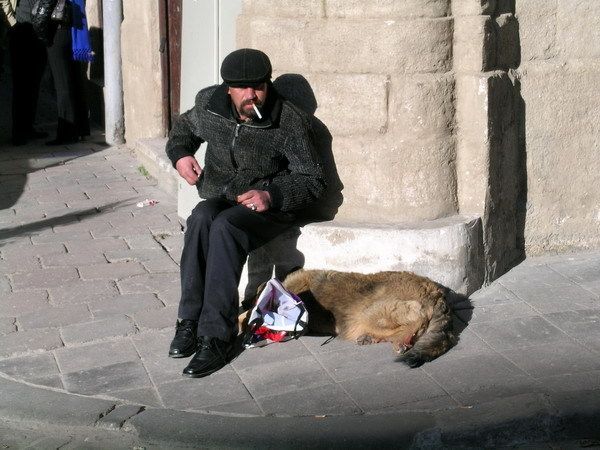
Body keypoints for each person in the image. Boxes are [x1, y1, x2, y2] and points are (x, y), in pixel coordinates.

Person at [165, 48, 326, 378]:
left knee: (225, 227)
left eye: (257, 86)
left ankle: (216, 336)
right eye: (241, 87)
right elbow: (182, 130)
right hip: (222, 195)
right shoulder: (210, 105)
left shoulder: (290, 121)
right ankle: (189, 321)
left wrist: (272, 194)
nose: (250, 94)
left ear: (267, 86)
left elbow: (313, 179)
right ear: (228, 88)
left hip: (271, 206)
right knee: (200, 218)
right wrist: (181, 155)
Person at [1, 0, 48, 146]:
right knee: (21, 83)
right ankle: (18, 132)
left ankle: (28, 127)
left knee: (34, 82)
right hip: (20, 30)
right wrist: (12, 22)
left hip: (39, 30)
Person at [45, 0, 91, 145]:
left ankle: (67, 133)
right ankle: (81, 129)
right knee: (77, 80)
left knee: (62, 84)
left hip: (59, 30)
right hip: (76, 32)